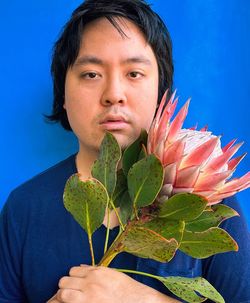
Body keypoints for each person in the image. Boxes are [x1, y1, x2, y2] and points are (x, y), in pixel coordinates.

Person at [0, 0, 249, 302]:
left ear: (161, 93)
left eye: (133, 74)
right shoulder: (23, 208)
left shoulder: (206, 200)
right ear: (62, 94)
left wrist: (141, 298)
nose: (113, 95)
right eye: (91, 74)